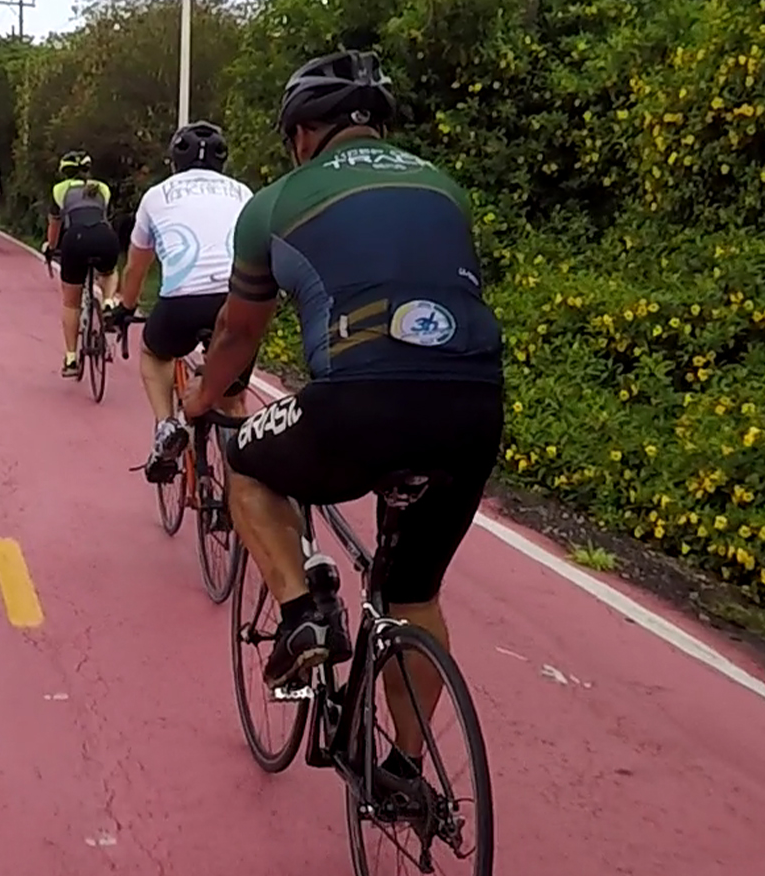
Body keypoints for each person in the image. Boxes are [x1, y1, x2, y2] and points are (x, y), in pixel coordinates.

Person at [183, 49, 505, 789]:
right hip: (473, 404)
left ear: (302, 134)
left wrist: (202, 399)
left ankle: (303, 613)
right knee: (414, 593)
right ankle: (402, 772)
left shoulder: (274, 203)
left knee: (247, 463)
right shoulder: (444, 187)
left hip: (360, 401)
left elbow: (237, 334)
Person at [106, 121, 255, 483]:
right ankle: (245, 476)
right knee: (232, 395)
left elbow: (136, 267)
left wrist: (127, 307)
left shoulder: (156, 196)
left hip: (182, 303)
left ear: (174, 161)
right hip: (238, 301)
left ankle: (166, 427)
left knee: (154, 353)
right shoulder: (243, 192)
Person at [42, 151, 121, 380]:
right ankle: (108, 302)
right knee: (109, 272)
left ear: (64, 171)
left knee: (71, 301)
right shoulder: (102, 188)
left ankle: (71, 359)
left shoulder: (60, 190)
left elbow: (55, 226)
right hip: (104, 237)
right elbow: (102, 215)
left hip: (75, 240)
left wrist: (50, 247)